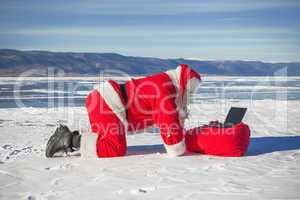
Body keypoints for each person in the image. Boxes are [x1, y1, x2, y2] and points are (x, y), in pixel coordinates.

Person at [46, 64, 250, 158]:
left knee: (108, 142)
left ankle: (71, 138)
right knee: (113, 148)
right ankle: (68, 139)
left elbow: (170, 118)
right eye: (190, 90)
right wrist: (179, 146)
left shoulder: (167, 85)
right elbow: (171, 133)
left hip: (105, 101)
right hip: (107, 103)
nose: (190, 95)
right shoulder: (166, 90)